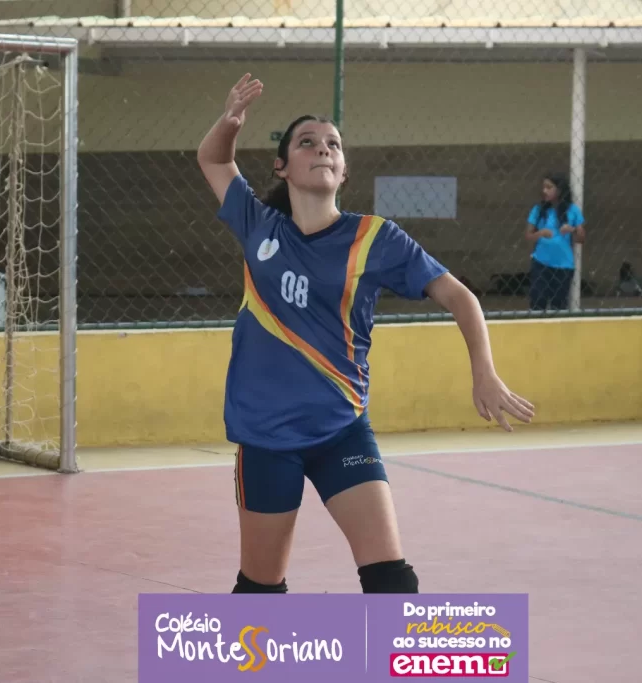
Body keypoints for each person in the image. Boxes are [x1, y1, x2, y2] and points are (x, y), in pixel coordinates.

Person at [196, 74, 535, 594]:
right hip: (266, 438)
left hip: (341, 429)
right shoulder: (260, 226)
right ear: (282, 166)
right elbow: (214, 160)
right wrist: (230, 122)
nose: (323, 149)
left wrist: (484, 372)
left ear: (344, 169)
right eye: (307, 142)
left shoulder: (375, 238)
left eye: (333, 144)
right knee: (260, 590)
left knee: (392, 581)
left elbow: (460, 296)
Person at [523, 172, 585, 311]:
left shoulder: (572, 210)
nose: (545, 191)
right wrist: (540, 233)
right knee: (538, 300)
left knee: (559, 305)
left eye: (549, 187)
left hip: (563, 266)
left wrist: (572, 230)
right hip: (541, 263)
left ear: (560, 190)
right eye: (543, 187)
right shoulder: (538, 210)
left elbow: (581, 239)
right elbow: (528, 236)